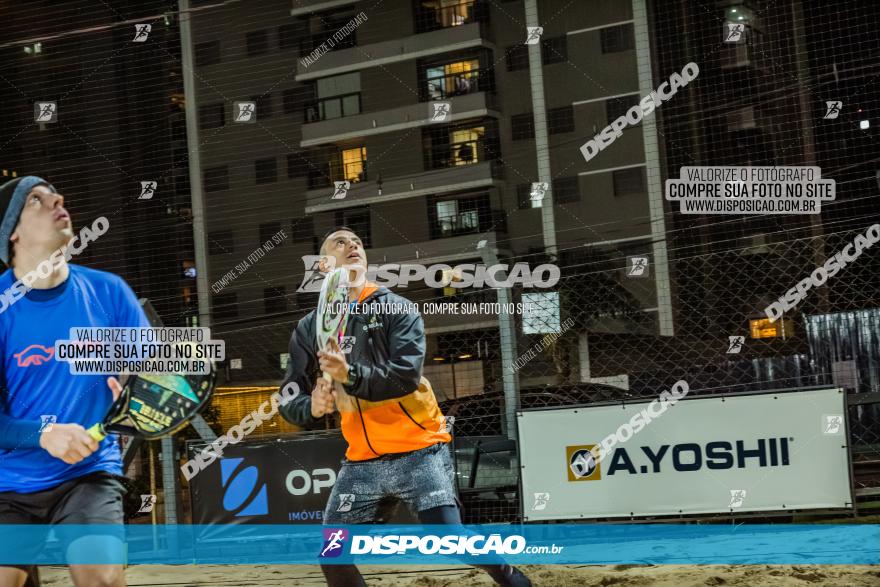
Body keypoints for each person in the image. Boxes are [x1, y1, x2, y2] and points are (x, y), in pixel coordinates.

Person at [279, 227, 531, 587]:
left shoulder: (397, 309)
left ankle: (515, 580)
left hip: (419, 450)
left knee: (450, 540)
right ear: (323, 264)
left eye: (358, 243)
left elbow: (404, 377)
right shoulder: (309, 328)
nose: (352, 245)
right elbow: (289, 394)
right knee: (333, 553)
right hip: (361, 461)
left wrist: (349, 374)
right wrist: (311, 406)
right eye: (340, 242)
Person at [0, 176, 149, 587]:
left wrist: (135, 397)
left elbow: (152, 379)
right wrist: (44, 434)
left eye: (56, 195)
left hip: (88, 474)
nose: (57, 200)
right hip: (7, 483)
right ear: (11, 232)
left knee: (100, 579)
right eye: (36, 200)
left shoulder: (110, 292)